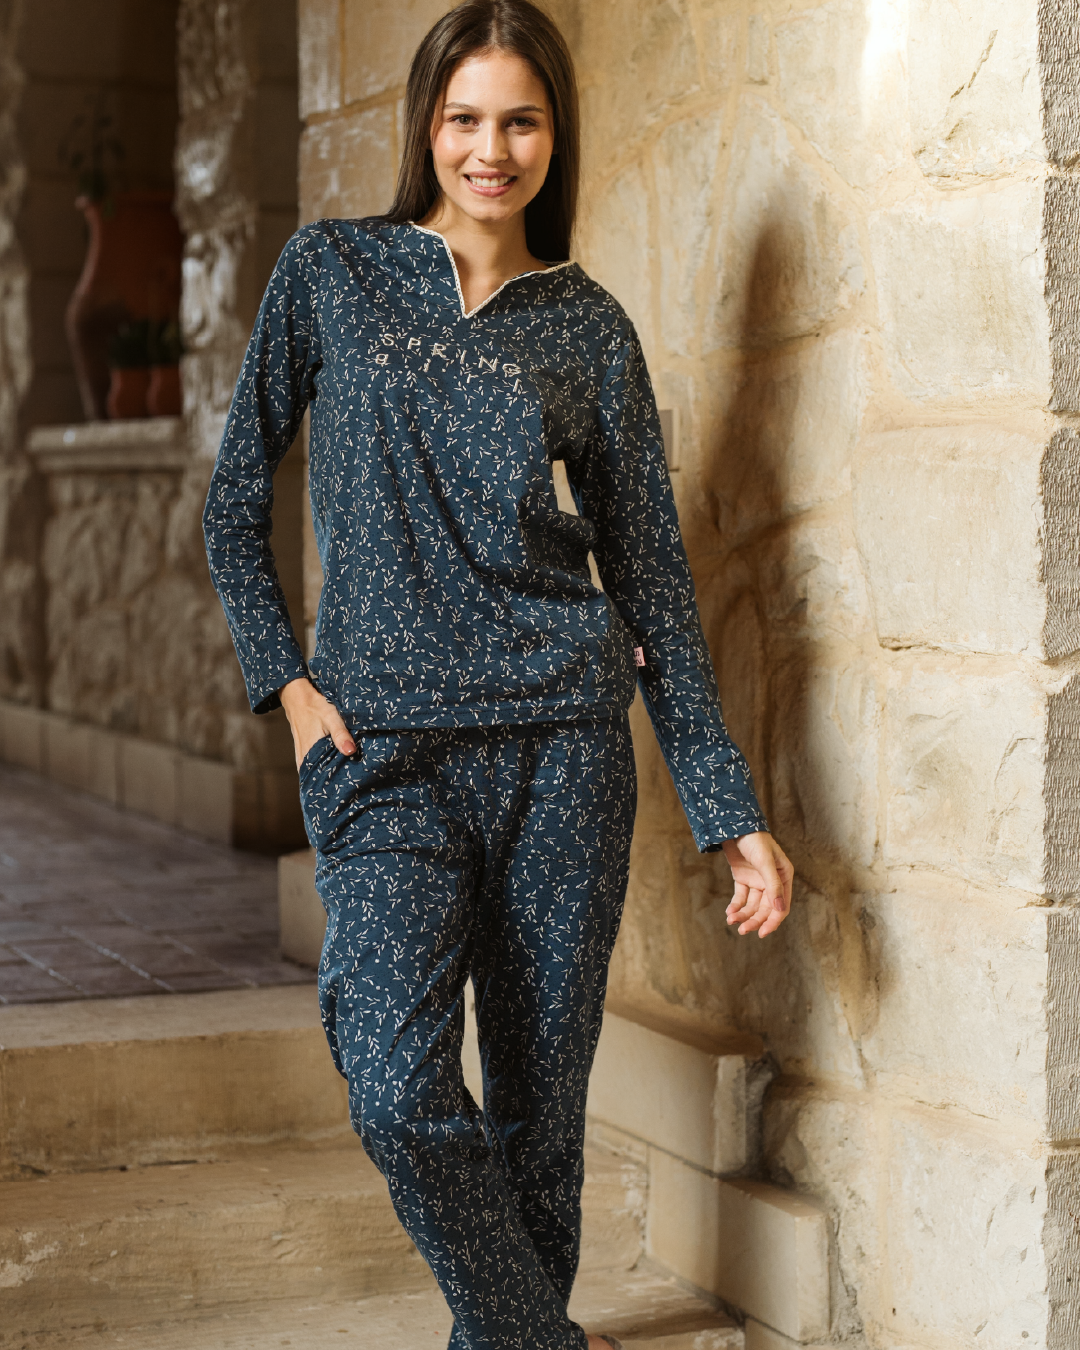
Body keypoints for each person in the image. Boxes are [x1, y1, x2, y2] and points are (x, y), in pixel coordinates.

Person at [202, 2, 795, 1346]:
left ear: (553, 136)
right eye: (465, 118)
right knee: (397, 1087)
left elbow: (653, 585)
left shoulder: (588, 328)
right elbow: (234, 503)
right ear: (427, 124)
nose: (491, 149)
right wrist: (288, 688)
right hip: (381, 754)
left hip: (561, 752)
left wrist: (727, 807)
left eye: (520, 121)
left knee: (538, 1113)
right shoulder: (331, 273)